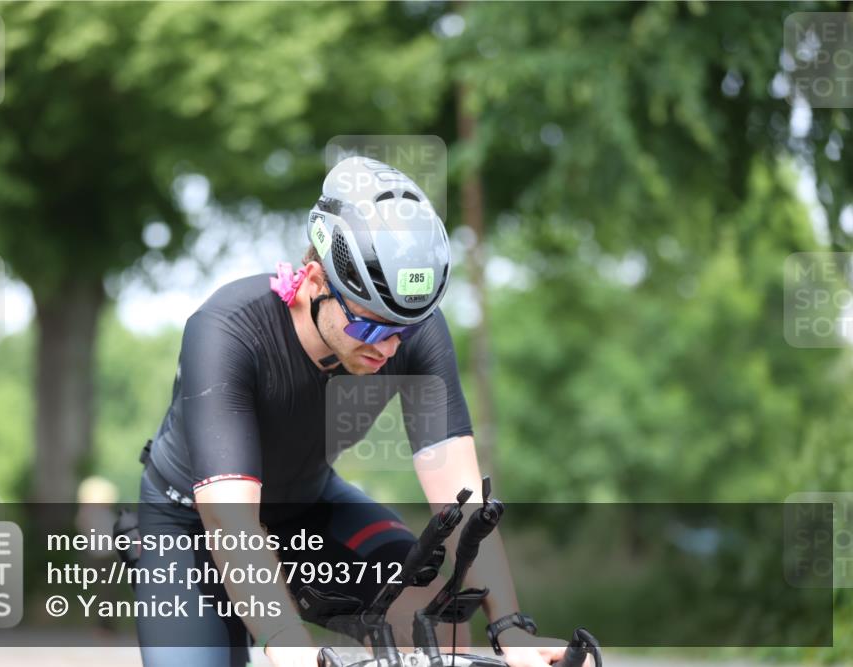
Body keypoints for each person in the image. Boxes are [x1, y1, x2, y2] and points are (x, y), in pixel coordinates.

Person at [135, 157, 583, 667]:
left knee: (426, 614)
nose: (389, 348)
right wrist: (286, 642)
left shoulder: (410, 331)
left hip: (307, 504)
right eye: (371, 327)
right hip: (189, 522)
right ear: (313, 282)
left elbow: (461, 503)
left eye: (405, 330)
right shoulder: (227, 331)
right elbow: (230, 521)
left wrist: (511, 630)